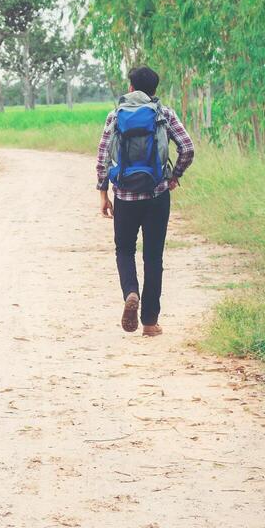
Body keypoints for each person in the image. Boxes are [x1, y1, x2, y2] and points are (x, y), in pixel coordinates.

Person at [95, 65, 195, 335]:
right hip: (156, 194)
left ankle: (131, 292)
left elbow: (103, 155)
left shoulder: (115, 115)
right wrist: (174, 176)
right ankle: (150, 323)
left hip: (125, 196)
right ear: (154, 90)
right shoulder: (165, 114)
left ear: (130, 88)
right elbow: (187, 148)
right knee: (153, 256)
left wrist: (104, 193)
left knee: (125, 250)